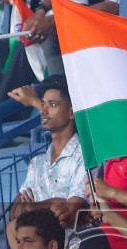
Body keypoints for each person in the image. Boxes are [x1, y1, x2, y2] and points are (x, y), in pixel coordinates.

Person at [12, 76, 84, 211]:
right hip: (36, 230)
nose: (43, 111)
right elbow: (15, 212)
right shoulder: (36, 163)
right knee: (13, 227)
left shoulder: (84, 156)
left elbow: (73, 210)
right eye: (43, 104)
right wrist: (55, 202)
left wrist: (30, 207)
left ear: (71, 112)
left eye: (53, 104)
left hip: (72, 232)